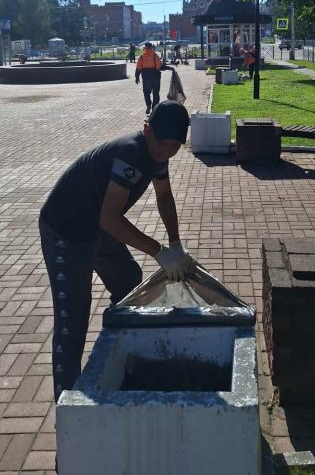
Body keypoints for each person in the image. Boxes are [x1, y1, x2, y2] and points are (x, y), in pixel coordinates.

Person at [39, 100, 196, 402]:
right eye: (162, 143)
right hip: (65, 230)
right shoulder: (131, 154)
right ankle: (66, 405)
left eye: (174, 147)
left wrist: (176, 243)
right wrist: (159, 252)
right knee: (72, 320)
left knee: (127, 279)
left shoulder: (157, 155)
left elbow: (164, 195)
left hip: (95, 225)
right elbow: (110, 219)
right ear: (147, 129)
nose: (166, 152)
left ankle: (117, 343)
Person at [135, 42, 164, 114]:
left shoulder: (141, 57)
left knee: (146, 92)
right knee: (156, 93)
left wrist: (137, 77)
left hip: (146, 78)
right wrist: (168, 68)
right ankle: (155, 109)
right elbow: (159, 67)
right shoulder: (155, 56)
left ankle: (148, 105)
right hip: (155, 78)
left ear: (145, 48)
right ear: (151, 48)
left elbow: (138, 68)